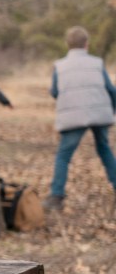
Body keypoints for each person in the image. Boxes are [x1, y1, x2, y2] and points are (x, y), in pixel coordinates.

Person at [42, 25, 116, 211]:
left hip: (74, 116)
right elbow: (111, 90)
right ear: (86, 44)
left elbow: (56, 92)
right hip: (99, 114)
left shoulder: (60, 66)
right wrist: (111, 111)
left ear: (68, 45)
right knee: (105, 150)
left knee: (64, 156)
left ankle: (56, 197)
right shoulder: (97, 63)